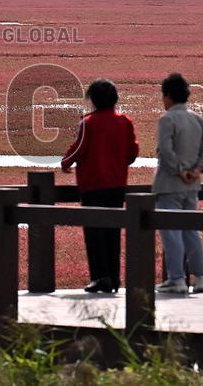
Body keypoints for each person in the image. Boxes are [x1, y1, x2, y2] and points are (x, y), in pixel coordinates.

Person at [61, 79, 139, 293]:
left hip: (92, 186)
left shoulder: (88, 123)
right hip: (116, 186)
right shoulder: (125, 121)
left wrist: (65, 162)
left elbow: (78, 149)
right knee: (113, 232)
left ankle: (100, 277)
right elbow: (132, 153)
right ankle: (114, 278)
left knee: (94, 233)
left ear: (93, 100)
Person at [152, 73, 203, 295]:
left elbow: (166, 151)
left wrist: (179, 171)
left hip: (170, 184)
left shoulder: (167, 119)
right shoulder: (198, 119)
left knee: (171, 233)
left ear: (168, 96)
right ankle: (200, 277)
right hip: (192, 186)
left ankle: (176, 278)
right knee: (191, 231)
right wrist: (195, 171)